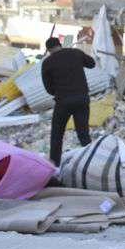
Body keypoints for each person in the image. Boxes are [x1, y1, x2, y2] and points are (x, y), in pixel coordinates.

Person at [41, 36, 95, 165]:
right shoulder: (75, 53)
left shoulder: (47, 62)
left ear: (48, 50)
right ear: (60, 44)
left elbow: (48, 88)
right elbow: (92, 64)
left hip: (63, 102)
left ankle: (55, 165)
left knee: (57, 135)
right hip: (82, 99)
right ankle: (91, 163)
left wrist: (58, 92)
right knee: (83, 134)